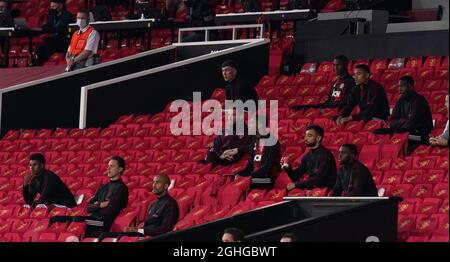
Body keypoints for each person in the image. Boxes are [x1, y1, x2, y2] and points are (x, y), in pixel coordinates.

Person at [49, 156, 129, 235]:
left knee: (77, 220)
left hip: (102, 223)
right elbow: (87, 207)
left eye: (112, 166)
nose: (108, 168)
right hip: (92, 218)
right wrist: (99, 205)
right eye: (108, 166)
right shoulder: (103, 187)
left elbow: (109, 210)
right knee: (56, 219)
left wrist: (95, 206)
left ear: (120, 169)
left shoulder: (122, 189)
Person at [374, 75, 433, 155]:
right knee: (377, 131)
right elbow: (391, 121)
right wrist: (403, 121)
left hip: (419, 133)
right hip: (402, 130)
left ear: (411, 87)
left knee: (397, 133)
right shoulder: (401, 100)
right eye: (398, 86)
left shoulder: (419, 100)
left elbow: (412, 123)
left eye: (403, 86)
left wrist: (399, 123)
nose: (399, 89)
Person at [291, 55, 358, 121]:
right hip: (331, 107)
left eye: (338, 65)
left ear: (346, 66)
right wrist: (324, 106)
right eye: (334, 65)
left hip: (339, 110)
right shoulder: (335, 82)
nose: (335, 68)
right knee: (304, 109)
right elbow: (330, 99)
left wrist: (326, 106)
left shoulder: (351, 82)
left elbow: (347, 102)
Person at [281, 125, 337, 191]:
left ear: (318, 138)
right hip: (313, 191)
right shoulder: (308, 156)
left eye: (309, 136)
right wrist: (288, 168)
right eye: (305, 135)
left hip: (325, 193)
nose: (305, 138)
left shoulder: (326, 155)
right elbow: (296, 177)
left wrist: (296, 185)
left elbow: (318, 180)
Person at [236, 116, 280, 185]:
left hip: (267, 179)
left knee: (242, 184)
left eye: (252, 123)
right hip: (254, 177)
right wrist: (239, 174)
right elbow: (250, 164)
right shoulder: (255, 141)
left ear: (260, 125)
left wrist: (249, 177)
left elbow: (267, 167)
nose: (249, 125)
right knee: (236, 179)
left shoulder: (273, 141)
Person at [36, 0, 75, 65]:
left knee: (49, 42)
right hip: (56, 40)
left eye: (54, 6)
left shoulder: (67, 15)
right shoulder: (53, 16)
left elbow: (60, 28)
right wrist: (40, 28)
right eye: (51, 7)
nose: (52, 9)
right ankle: (41, 66)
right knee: (40, 49)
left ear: (61, 5)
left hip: (65, 40)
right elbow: (48, 25)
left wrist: (47, 29)